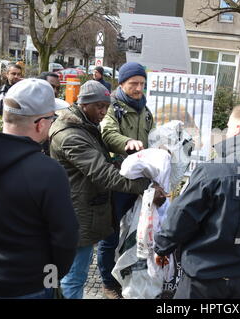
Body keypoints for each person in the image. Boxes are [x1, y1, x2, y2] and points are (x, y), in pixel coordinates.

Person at [154, 104, 240, 299]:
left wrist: (161, 247)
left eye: (228, 127)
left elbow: (182, 216)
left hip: (203, 279)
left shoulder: (213, 171)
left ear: (237, 129)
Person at [48, 80, 166, 299]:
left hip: (84, 207)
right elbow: (101, 173)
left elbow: (101, 162)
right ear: (84, 104)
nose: (104, 111)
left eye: (106, 106)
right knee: (74, 276)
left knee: (76, 273)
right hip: (77, 214)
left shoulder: (85, 125)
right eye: (99, 106)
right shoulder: (71, 135)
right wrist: (146, 186)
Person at [0, 78, 78, 299]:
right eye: (53, 118)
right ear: (40, 124)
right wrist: (51, 281)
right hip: (26, 285)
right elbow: (65, 239)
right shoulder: (48, 172)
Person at [99, 62, 154, 297]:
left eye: (142, 84)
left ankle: (126, 274)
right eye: (133, 84)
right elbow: (108, 132)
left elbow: (151, 137)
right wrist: (126, 143)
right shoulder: (113, 108)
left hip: (140, 182)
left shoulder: (145, 109)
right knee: (109, 233)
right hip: (118, 181)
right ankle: (107, 283)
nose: (138, 88)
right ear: (121, 83)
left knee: (134, 230)